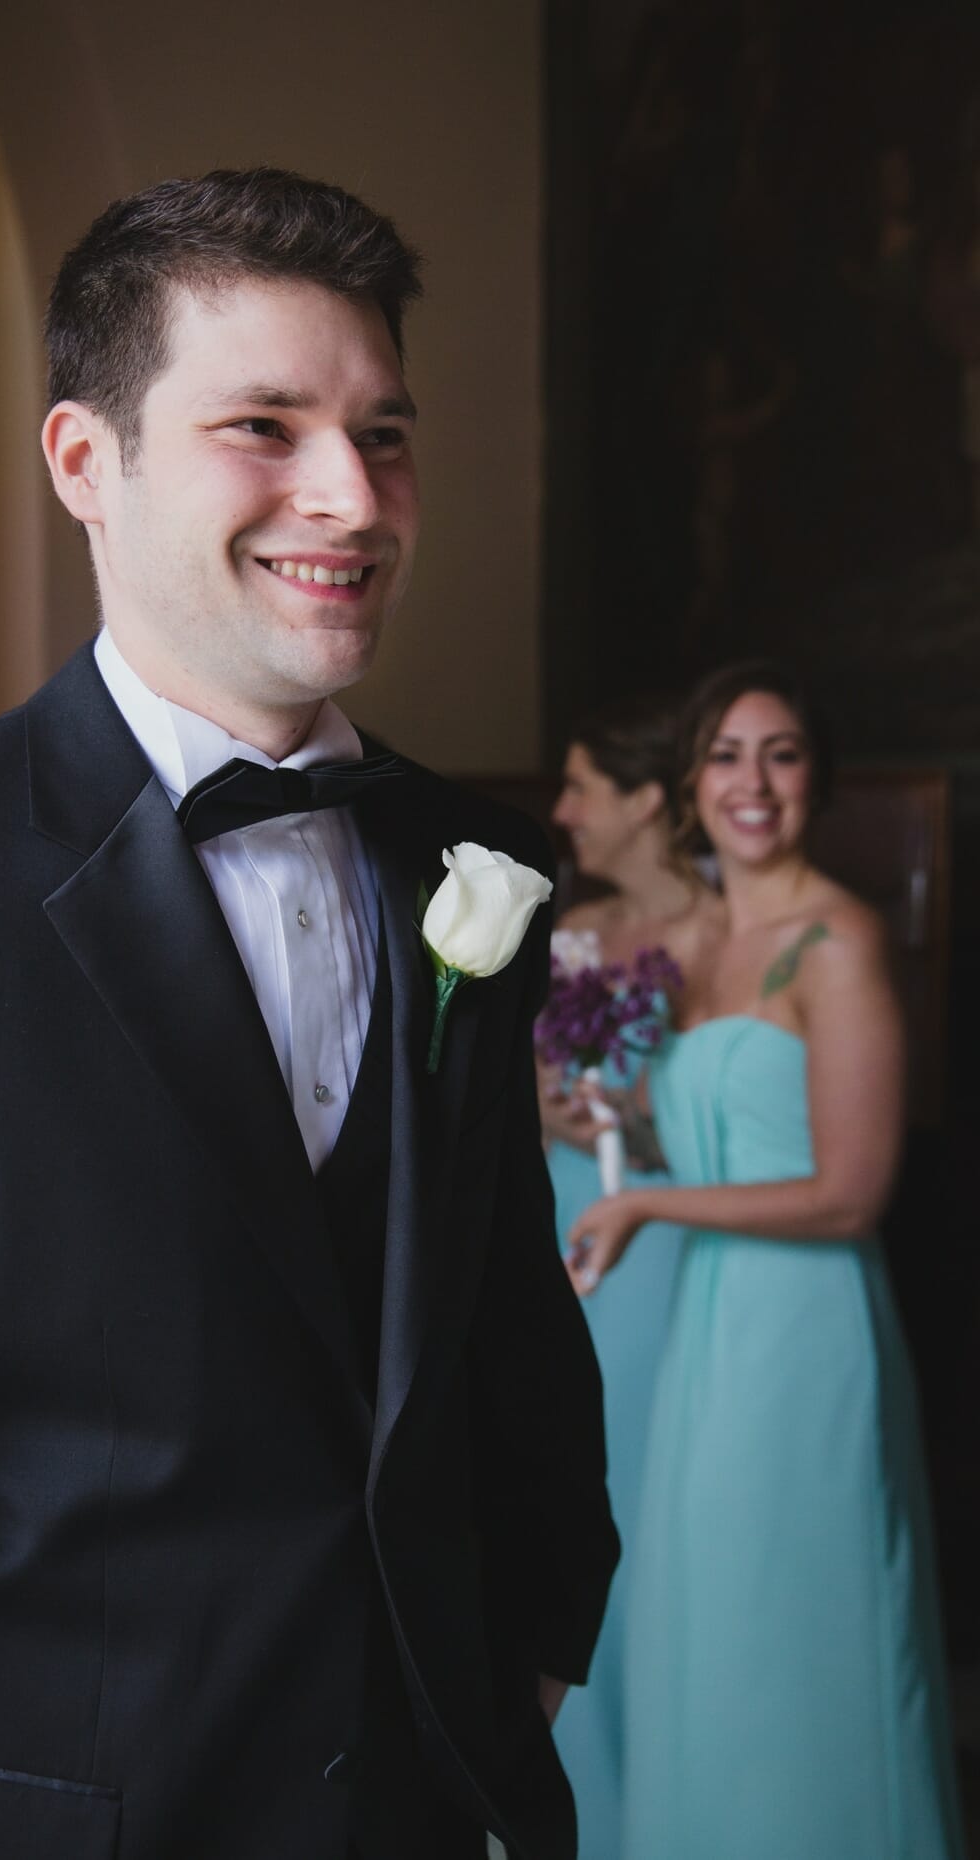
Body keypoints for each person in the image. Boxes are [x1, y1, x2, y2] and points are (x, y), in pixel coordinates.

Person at [0, 169, 618, 1860]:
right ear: (85, 461)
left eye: (386, 433)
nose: (350, 497)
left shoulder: (482, 864)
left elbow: (498, 1311)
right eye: (266, 427)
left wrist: (538, 1642)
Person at [566, 661, 966, 1860]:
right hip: (707, 1314)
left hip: (802, 1321)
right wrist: (590, 1116)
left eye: (782, 754)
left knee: (797, 1614)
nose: (754, 781)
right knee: (714, 1624)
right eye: (727, 756)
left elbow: (849, 1193)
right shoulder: (696, 945)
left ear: (814, 782)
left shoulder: (833, 940)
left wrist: (650, 1211)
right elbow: (668, 1123)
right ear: (690, 786)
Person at [536, 697, 723, 1859]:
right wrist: (549, 1106)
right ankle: (576, 1805)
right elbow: (522, 1097)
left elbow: (745, 1120)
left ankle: (670, 1802)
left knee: (659, 1513)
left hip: (668, 1252)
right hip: (561, 1236)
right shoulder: (573, 929)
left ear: (648, 800)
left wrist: (640, 1124)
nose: (559, 813)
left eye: (581, 788)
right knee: (565, 1496)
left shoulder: (724, 931)